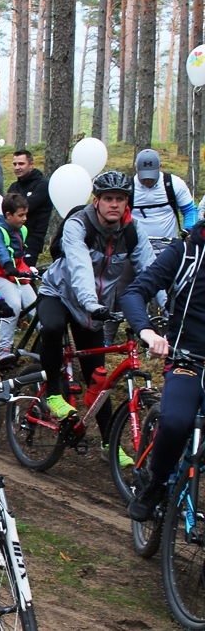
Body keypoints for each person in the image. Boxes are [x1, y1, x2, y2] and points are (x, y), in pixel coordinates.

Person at [36, 171, 155, 445]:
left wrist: (166, 311)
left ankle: (108, 445)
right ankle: (53, 392)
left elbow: (152, 273)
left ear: (128, 203)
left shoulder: (133, 232)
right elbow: (79, 266)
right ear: (97, 201)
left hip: (95, 307)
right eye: (108, 199)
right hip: (61, 293)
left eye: (120, 199)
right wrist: (92, 303)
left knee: (98, 378)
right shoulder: (78, 224)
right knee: (52, 327)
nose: (114, 204)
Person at [122, 221, 205, 521]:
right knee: (173, 422)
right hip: (188, 361)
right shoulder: (184, 253)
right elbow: (135, 292)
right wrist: (148, 333)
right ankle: (157, 483)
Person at [0, 193, 38, 367]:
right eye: (20, 215)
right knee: (13, 304)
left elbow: (19, 256)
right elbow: (0, 250)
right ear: (8, 215)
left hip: (17, 274)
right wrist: (7, 266)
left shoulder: (22, 230)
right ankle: (4, 348)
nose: (24, 219)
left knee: (37, 307)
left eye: (25, 214)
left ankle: (47, 345)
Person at [130, 148, 198, 245]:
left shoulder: (174, 184)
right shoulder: (128, 187)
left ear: (160, 167)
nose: (148, 180)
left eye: (151, 176)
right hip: (137, 247)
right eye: (144, 177)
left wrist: (189, 230)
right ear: (136, 168)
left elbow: (189, 210)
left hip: (169, 247)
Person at [6, 150, 50, 265]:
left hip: (32, 238)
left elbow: (26, 207)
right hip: (12, 236)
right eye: (15, 164)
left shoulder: (42, 184)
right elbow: (6, 209)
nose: (17, 167)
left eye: (21, 164)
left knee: (26, 276)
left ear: (31, 165)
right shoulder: (14, 186)